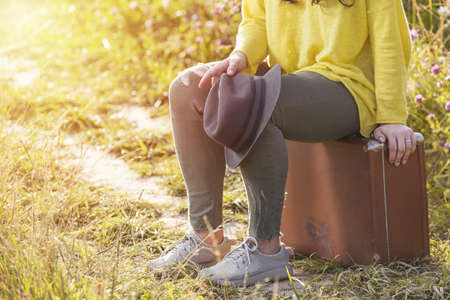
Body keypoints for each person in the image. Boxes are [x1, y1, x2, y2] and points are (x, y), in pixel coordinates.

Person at [147, 0, 417, 286]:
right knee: (188, 87)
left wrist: (392, 117)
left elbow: (390, 42)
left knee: (256, 100)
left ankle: (265, 250)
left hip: (348, 87)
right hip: (288, 78)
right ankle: (206, 239)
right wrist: (241, 56)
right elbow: (256, 21)